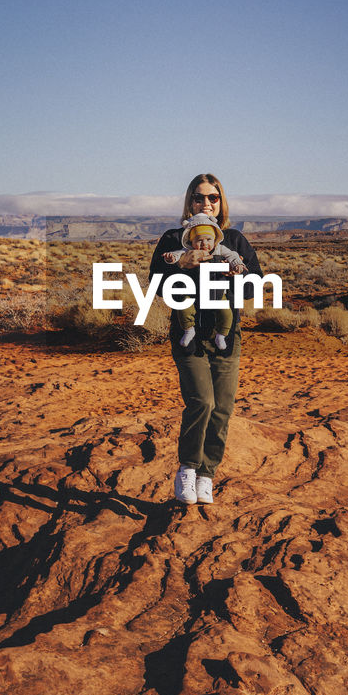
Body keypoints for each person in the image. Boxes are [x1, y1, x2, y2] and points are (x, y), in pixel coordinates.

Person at [149, 174, 262, 506]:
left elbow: (255, 283)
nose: (206, 204)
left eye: (213, 198)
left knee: (223, 408)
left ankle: (206, 475)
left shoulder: (234, 240)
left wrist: (237, 276)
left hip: (226, 335)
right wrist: (180, 265)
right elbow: (156, 284)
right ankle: (188, 468)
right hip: (189, 335)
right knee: (202, 402)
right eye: (199, 198)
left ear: (221, 202)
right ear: (189, 202)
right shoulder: (174, 239)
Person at [161, 213, 246, 351]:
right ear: (191, 241)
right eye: (199, 240)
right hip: (193, 292)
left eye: (208, 239)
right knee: (184, 306)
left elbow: (233, 255)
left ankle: (221, 335)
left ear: (215, 239)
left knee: (226, 313)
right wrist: (171, 259)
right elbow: (177, 255)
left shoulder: (220, 249)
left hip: (217, 291)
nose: (204, 243)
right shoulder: (188, 251)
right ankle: (189, 330)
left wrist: (238, 265)